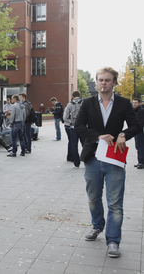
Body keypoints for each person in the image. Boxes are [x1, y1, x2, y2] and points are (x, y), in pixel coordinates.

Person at [75, 66, 140, 258]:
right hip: (93, 157)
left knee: (115, 203)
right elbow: (78, 126)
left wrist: (123, 134)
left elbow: (136, 125)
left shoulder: (123, 103)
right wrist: (98, 136)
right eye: (100, 80)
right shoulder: (87, 103)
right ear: (96, 82)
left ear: (114, 82)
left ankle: (113, 240)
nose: (103, 83)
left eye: (107, 80)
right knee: (94, 199)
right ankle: (97, 225)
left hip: (114, 159)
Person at [64, 91, 85, 168]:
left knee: (74, 145)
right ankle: (86, 160)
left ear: (72, 96)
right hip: (83, 128)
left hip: (73, 127)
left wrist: (71, 122)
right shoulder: (84, 103)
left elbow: (65, 117)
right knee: (84, 144)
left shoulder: (70, 104)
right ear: (79, 95)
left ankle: (76, 162)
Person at [132, 98, 144, 169]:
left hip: (140, 131)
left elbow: (141, 122)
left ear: (139, 103)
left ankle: (141, 162)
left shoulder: (141, 111)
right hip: (136, 131)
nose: (134, 104)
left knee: (140, 146)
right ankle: (140, 161)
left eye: (136, 103)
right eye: (133, 103)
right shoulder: (135, 111)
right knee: (138, 146)